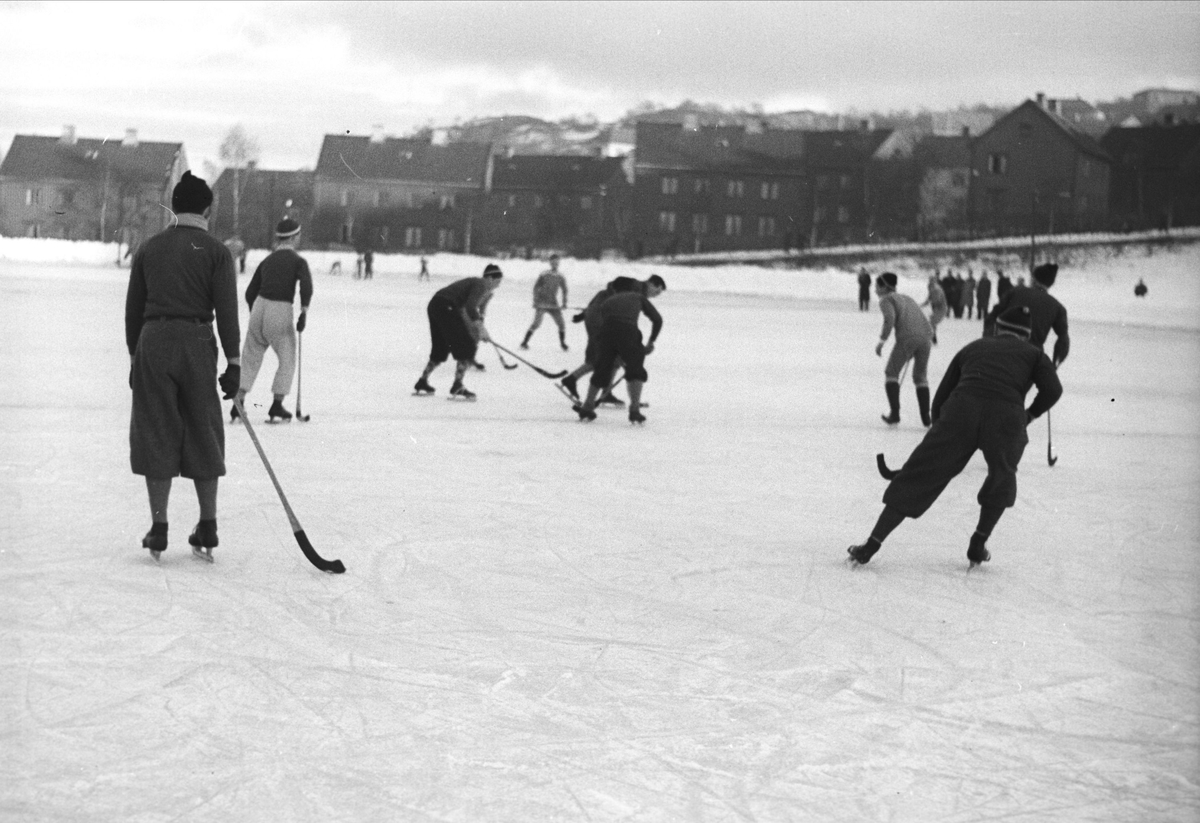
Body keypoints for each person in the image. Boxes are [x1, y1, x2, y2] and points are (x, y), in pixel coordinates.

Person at [847, 304, 1063, 568]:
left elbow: (941, 397)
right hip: (1006, 418)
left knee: (920, 475)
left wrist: (939, 437)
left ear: (996, 329)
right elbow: (1053, 390)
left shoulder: (974, 347)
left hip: (962, 410)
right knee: (1002, 477)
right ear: (1027, 335)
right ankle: (978, 543)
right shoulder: (1035, 354)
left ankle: (871, 543)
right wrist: (1029, 415)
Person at [125, 171, 241, 561]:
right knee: (204, 429)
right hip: (196, 342)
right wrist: (235, 362)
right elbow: (226, 311)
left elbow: (132, 311)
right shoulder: (216, 251)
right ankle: (207, 524)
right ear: (207, 208)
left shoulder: (149, 248)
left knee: (155, 429)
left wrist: (134, 356)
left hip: (153, 341)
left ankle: (159, 528)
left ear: (173, 206)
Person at [233, 217, 313, 423]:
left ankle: (238, 402)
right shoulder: (298, 261)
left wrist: (256, 314)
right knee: (287, 357)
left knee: (251, 356)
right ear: (294, 237)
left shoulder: (267, 260)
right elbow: (306, 285)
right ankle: (277, 405)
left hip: (259, 306)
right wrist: (303, 311)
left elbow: (250, 292)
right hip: (280, 308)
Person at [561, 275, 666, 406]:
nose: (654, 296)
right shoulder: (637, 289)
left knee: (609, 357)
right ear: (652, 284)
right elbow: (626, 316)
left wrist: (584, 315)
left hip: (596, 317)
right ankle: (582, 384)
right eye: (656, 292)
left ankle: (600, 390)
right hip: (603, 320)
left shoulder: (630, 287)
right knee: (607, 356)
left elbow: (602, 297)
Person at [413, 263, 503, 400]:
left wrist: (478, 328)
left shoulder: (479, 287)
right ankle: (457, 385)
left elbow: (468, 311)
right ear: (490, 278)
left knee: (441, 348)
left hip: (435, 304)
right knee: (467, 345)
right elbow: (471, 307)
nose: (498, 285)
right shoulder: (481, 284)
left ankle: (422, 382)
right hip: (446, 306)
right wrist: (479, 327)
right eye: (498, 281)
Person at [875, 272, 935, 427]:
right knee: (920, 377)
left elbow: (890, 319)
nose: (875, 290)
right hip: (926, 338)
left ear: (884, 286)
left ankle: (895, 414)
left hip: (907, 338)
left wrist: (882, 341)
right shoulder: (907, 298)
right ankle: (926, 417)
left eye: (877, 286)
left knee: (891, 372)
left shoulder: (886, 300)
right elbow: (923, 318)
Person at [987, 263, 1070, 367]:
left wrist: (988, 342)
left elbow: (991, 317)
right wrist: (1054, 365)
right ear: (1050, 284)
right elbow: (1063, 339)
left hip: (1002, 351)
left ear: (1033, 279)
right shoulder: (1057, 307)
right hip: (1031, 359)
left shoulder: (1014, 292)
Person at [520, 253, 569, 350]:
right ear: (550, 263)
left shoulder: (560, 276)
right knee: (536, 324)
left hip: (553, 304)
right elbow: (536, 288)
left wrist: (564, 303)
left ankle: (563, 344)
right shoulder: (544, 274)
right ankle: (524, 342)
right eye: (553, 262)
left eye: (557, 262)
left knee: (561, 323)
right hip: (542, 303)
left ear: (558, 263)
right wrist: (535, 300)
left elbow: (564, 290)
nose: (555, 263)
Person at [921, 274, 948, 345]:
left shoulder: (937, 289)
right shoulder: (931, 288)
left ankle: (933, 339)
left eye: (932, 281)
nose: (930, 283)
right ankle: (932, 339)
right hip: (936, 308)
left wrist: (933, 301)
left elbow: (938, 300)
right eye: (930, 281)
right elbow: (928, 299)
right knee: (931, 322)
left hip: (941, 309)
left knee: (932, 322)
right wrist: (921, 305)